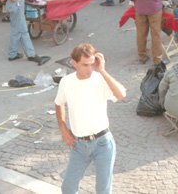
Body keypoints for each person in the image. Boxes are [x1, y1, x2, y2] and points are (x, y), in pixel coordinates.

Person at [54, 43, 126, 194]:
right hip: (79, 145)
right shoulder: (66, 82)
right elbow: (59, 103)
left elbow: (121, 95)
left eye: (92, 64)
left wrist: (103, 71)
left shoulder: (100, 79)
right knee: (67, 188)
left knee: (103, 190)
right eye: (85, 65)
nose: (89, 69)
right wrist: (63, 128)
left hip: (103, 143)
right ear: (74, 63)